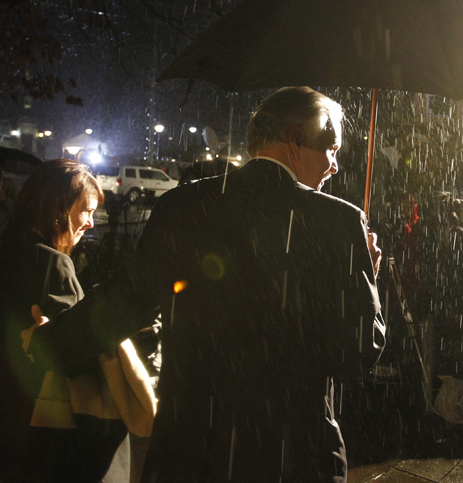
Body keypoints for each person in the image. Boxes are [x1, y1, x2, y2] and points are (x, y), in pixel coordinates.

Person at [29, 87, 386, 482]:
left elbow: (124, 302)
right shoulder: (337, 222)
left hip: (193, 450)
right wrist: (366, 277)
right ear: (295, 139)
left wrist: (50, 346)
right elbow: (355, 352)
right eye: (331, 148)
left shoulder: (182, 206)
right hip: (290, 453)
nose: (334, 165)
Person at [0, 159, 135, 483]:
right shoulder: (54, 263)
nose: (91, 223)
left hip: (2, 410)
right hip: (45, 427)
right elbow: (74, 356)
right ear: (58, 207)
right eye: (86, 211)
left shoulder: (1, 250)